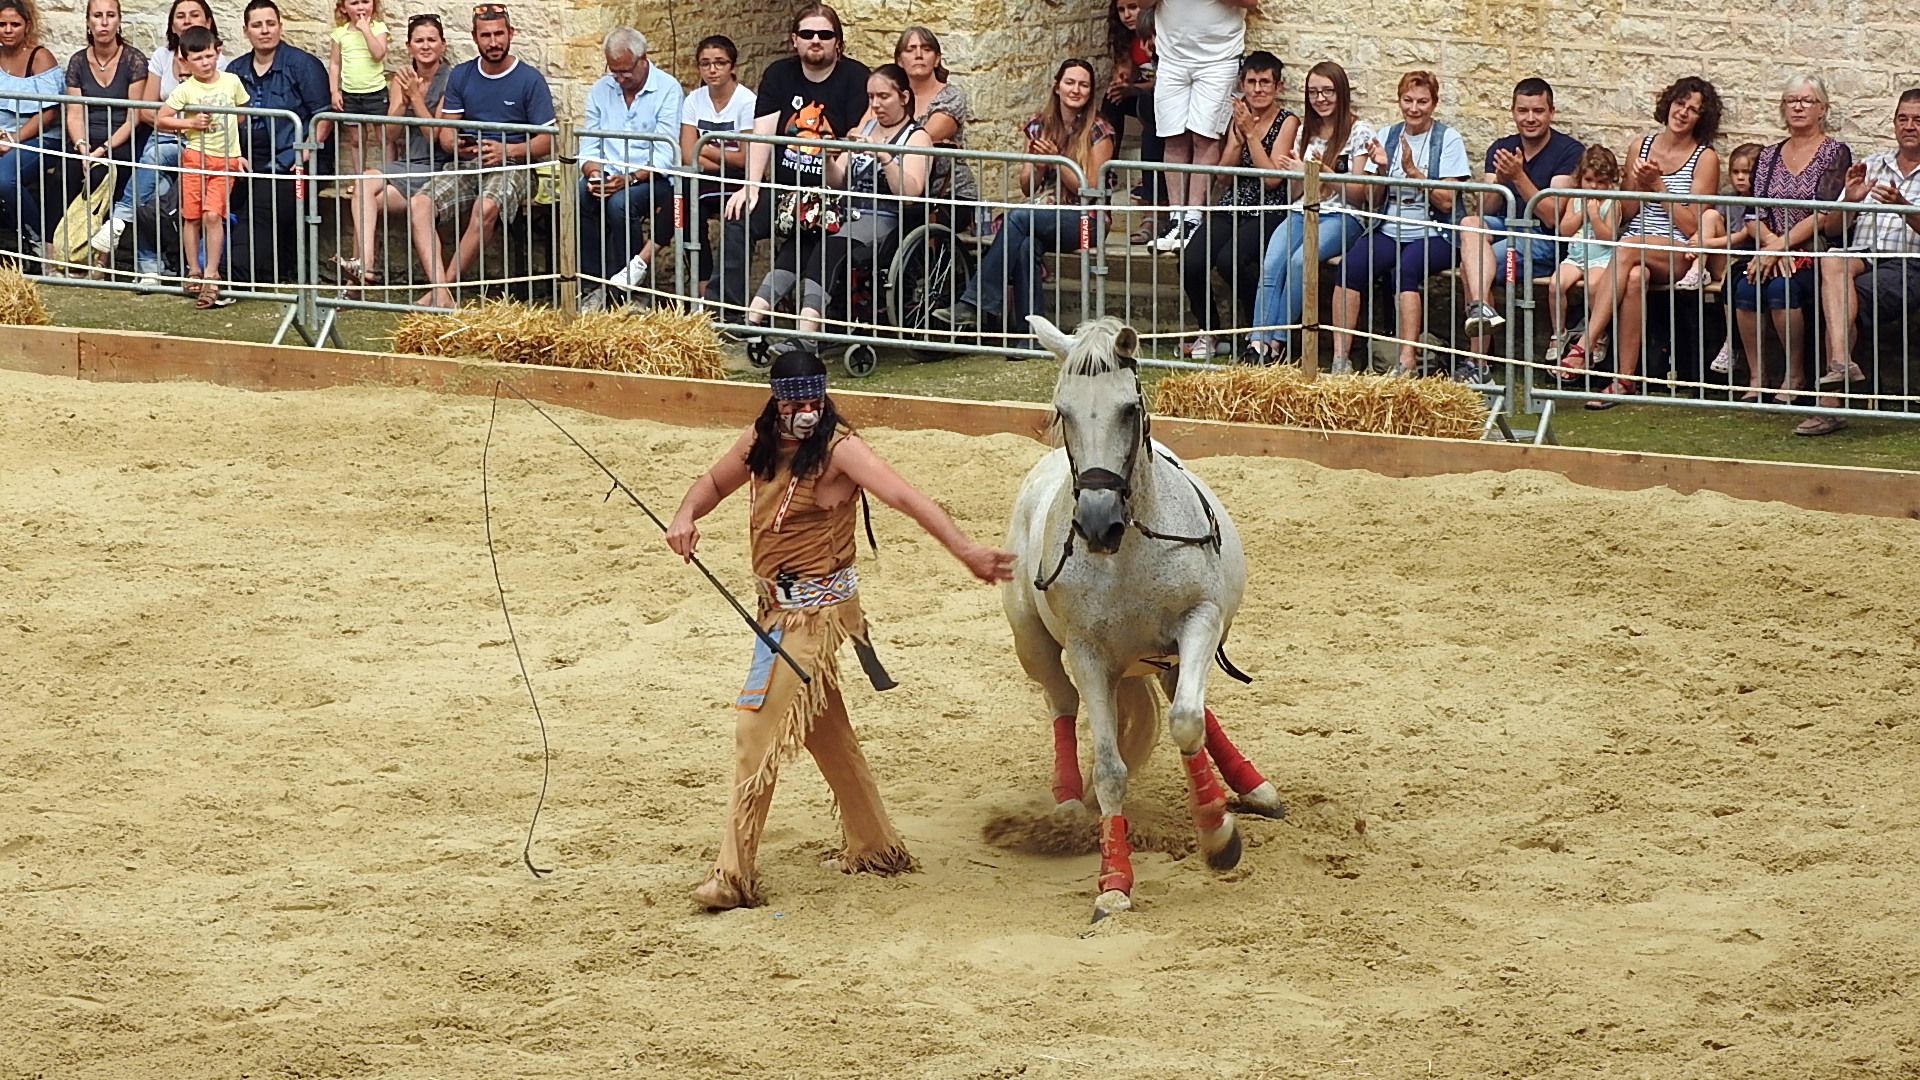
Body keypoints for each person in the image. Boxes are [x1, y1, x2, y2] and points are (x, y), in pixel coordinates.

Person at [664, 348, 1014, 910]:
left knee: (755, 731)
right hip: (775, 610)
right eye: (795, 401)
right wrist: (685, 516)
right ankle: (876, 846)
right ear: (776, 403)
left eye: (813, 399)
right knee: (825, 730)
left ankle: (732, 874)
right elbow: (711, 483)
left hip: (816, 616)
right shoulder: (759, 444)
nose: (806, 410)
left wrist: (965, 549)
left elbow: (906, 497)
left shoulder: (840, 450)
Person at [1558, 76, 1723, 405]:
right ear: (1668, 104)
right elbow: (1627, 212)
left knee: (1628, 249)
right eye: (1680, 104)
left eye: (1693, 110)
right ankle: (1624, 380)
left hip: (1678, 251)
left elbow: (1696, 227)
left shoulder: (1705, 158)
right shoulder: (1640, 146)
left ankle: (1586, 342)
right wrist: (1636, 184)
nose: (1683, 113)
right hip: (1634, 250)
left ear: (1701, 119)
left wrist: (1659, 187)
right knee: (1633, 278)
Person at [739, 63, 931, 344]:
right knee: (802, 238)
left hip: (884, 216)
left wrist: (884, 157)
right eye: (871, 97)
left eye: (883, 97)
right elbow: (838, 181)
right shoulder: (867, 127)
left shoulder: (918, 137)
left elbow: (910, 192)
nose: (876, 104)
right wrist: (828, 156)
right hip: (847, 211)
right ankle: (753, 316)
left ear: (903, 97)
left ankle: (807, 333)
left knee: (832, 246)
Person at [701, 3, 869, 321]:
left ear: (838, 41)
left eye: (824, 33)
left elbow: (852, 143)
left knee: (819, 231)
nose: (815, 39)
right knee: (738, 216)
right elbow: (762, 134)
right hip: (784, 189)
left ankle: (818, 314)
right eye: (807, 33)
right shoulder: (779, 74)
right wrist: (751, 186)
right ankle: (724, 313)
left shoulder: (856, 77)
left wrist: (835, 173)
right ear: (795, 39)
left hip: (836, 195)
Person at [933, 58, 1114, 346]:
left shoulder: (1099, 130)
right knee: (1026, 244)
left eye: (1083, 85)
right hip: (1045, 212)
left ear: (1091, 92)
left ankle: (975, 302)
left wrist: (1060, 159)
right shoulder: (1038, 125)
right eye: (1070, 82)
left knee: (1017, 216)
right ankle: (1029, 336)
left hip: (1086, 221)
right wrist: (1040, 164)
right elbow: (1027, 186)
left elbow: (1090, 189)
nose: (1076, 90)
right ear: (1057, 86)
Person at [406, 2, 553, 308]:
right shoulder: (461, 75)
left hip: (515, 164)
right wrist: (455, 143)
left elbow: (547, 142)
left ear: (511, 33)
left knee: (485, 207)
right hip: (468, 162)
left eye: (499, 34)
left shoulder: (530, 79)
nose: (494, 42)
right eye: (486, 35)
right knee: (419, 204)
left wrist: (507, 150)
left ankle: (441, 291)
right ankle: (442, 293)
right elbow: (445, 132)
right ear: (475, 37)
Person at [1721, 73, 1851, 415]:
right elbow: (1753, 212)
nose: (1798, 107)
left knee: (1783, 289)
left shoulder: (1835, 153)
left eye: (1807, 101)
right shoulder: (1769, 155)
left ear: (1822, 109)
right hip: (1770, 248)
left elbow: (1824, 212)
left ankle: (1795, 376)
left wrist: (1779, 248)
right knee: (1747, 288)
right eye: (1791, 100)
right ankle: (1756, 377)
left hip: (1810, 251)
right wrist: (1770, 246)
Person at [1328, 70, 1471, 377]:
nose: (1414, 108)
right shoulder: (1387, 136)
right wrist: (1380, 170)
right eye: (1408, 100)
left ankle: (1406, 360)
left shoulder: (1448, 138)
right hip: (1388, 227)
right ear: (1399, 101)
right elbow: (1369, 197)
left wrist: (1414, 173)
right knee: (1349, 267)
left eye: (1422, 101)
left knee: (1405, 269)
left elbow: (1447, 201)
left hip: (1436, 231)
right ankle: (1341, 359)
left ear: (1434, 103)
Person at [1802, 94, 1920, 435]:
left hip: (1907, 264)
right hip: (1862, 254)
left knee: (1840, 296)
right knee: (1834, 259)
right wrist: (1850, 202)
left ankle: (1830, 404)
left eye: (1917, 120)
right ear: (1894, 122)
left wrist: (1904, 206)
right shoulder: (1873, 164)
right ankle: (1841, 363)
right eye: (1903, 119)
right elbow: (1832, 228)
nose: (1909, 126)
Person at [1243, 60, 1372, 364]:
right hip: (1303, 209)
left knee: (1301, 261)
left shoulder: (1359, 130)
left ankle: (1279, 340)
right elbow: (1295, 192)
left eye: (1327, 91)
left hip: (1342, 216)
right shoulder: (1305, 131)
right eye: (1313, 92)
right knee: (1273, 261)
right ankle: (1258, 342)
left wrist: (1319, 172)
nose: (1320, 98)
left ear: (1341, 93)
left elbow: (1358, 195)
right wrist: (1299, 176)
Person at [92, 0, 226, 284]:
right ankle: (149, 267)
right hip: (162, 138)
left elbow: (215, 115)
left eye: (194, 15)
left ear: (209, 22)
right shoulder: (162, 56)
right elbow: (145, 109)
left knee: (151, 160)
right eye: (180, 16)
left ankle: (118, 221)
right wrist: (173, 122)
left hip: (198, 146)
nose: (187, 21)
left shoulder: (216, 60)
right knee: (151, 190)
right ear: (172, 24)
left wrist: (177, 124)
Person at [1175, 50, 1293, 360]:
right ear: (1243, 84)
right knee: (1191, 261)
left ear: (1278, 86)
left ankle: (1258, 331)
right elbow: (1224, 177)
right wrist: (1238, 140)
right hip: (1233, 204)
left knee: (1231, 261)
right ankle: (1210, 331)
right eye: (1252, 82)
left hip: (1269, 209)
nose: (1258, 89)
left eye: (1265, 82)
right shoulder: (1237, 118)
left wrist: (1252, 135)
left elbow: (1271, 180)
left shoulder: (1287, 121)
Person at [1454, 78, 1582, 353]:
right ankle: (1481, 311)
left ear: (1551, 112)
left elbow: (1552, 217)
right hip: (1506, 225)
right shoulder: (1501, 146)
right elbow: (1486, 209)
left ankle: (1479, 362)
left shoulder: (1569, 151)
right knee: (1469, 223)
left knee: (1469, 269)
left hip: (1543, 238)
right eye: (1523, 111)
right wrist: (1500, 179)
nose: (1530, 118)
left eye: (1538, 111)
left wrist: (1519, 177)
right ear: (1513, 111)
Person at [338, 12, 448, 294]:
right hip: (406, 166)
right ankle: (363, 272)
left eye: (431, 40)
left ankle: (361, 274)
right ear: (409, 46)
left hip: (438, 167)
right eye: (419, 41)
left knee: (363, 185)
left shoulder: (451, 80)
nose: (425, 46)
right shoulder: (403, 77)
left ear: (442, 45)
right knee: (364, 193)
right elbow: (388, 134)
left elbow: (434, 137)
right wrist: (402, 100)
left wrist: (415, 98)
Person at [1137, 0, 1257, 253]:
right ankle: (1175, 218)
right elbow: (1142, 3)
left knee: (1205, 137)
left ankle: (1193, 218)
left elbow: (1251, 3)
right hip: (1172, 57)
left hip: (1218, 57)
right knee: (1173, 138)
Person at [227, 0, 331, 285]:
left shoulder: (303, 65)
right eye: (257, 25)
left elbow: (323, 117)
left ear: (280, 27)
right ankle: (194, 267)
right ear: (246, 31)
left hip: (295, 157)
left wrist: (303, 155)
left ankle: (233, 274)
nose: (265, 31)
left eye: (270, 24)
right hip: (248, 155)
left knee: (264, 202)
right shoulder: (235, 70)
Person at [577, 27, 683, 308]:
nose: (620, 78)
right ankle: (592, 283)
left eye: (625, 71)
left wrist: (630, 179)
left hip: (653, 178)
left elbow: (666, 155)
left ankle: (626, 287)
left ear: (642, 59)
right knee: (580, 194)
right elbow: (588, 146)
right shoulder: (601, 89)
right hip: (611, 173)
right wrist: (595, 174)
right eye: (615, 72)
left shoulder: (668, 89)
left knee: (620, 204)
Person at [158, 23, 244, 306]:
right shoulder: (186, 89)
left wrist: (238, 153)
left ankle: (211, 274)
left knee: (212, 215)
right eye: (197, 58)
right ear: (185, 61)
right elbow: (163, 118)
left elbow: (241, 117)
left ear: (217, 52)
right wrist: (190, 123)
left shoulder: (231, 82)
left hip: (225, 160)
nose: (205, 63)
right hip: (195, 156)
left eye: (209, 56)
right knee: (192, 216)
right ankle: (193, 269)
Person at [63, 0, 151, 263]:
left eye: (110, 15)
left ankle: (100, 259)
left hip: (121, 138)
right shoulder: (77, 61)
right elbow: (74, 113)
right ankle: (58, 252)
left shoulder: (134, 59)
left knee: (104, 174)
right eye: (97, 16)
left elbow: (132, 118)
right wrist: (82, 149)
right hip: (85, 140)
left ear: (119, 21)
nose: (104, 22)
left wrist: (101, 151)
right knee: (61, 175)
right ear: (88, 22)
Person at [679, 34, 754, 298]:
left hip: (738, 181)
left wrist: (707, 148)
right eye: (705, 63)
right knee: (681, 204)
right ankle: (702, 283)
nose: (712, 69)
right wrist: (720, 157)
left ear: (733, 67)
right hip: (706, 178)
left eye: (720, 63)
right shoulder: (693, 101)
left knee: (735, 217)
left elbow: (747, 158)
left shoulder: (746, 101)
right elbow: (688, 155)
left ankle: (725, 291)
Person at [0, 0, 66, 258]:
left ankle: (38, 241)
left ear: (27, 26)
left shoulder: (40, 57)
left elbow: (48, 113)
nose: (7, 30)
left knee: (5, 179)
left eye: (14, 24)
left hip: (38, 138)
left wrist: (12, 139)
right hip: (3, 136)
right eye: (2, 24)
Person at [1547, 146, 1621, 363]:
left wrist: (1595, 217)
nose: (1594, 187)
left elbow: (1608, 236)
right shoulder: (1575, 199)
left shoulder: (1612, 202)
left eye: (1601, 182)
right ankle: (1558, 332)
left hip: (1601, 257)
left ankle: (1598, 334)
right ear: (1580, 178)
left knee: (1593, 286)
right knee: (1555, 284)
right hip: (1576, 256)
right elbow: (1564, 229)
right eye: (1589, 180)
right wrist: (1582, 214)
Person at [894, 26, 974, 225]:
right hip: (905, 192)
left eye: (926, 49)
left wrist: (885, 143)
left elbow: (925, 138)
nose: (918, 55)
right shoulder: (890, 96)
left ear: (937, 59)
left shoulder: (951, 96)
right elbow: (863, 130)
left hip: (948, 194)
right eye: (910, 49)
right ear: (899, 60)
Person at [1100, 0, 1161, 243]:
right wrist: (1121, 82)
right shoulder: (1126, 37)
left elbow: (1165, 81)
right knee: (1111, 100)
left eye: (1133, 7)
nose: (1127, 15)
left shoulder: (1159, 31)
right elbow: (1125, 71)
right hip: (1144, 97)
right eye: (1121, 10)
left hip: (1165, 100)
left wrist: (1133, 88)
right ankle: (1105, 169)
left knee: (1147, 110)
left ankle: (1153, 206)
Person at [325, 0, 388, 178]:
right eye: (354, 3)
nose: (361, 7)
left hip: (375, 92)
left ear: (374, 5)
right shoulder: (340, 33)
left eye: (365, 2)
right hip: (351, 94)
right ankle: (359, 178)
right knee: (356, 140)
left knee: (384, 138)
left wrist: (366, 30)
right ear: (344, 8)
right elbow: (335, 64)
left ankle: (389, 177)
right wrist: (334, 91)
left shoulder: (379, 28)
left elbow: (378, 54)